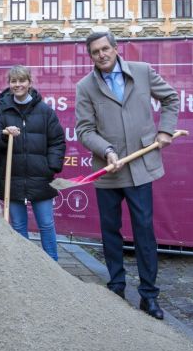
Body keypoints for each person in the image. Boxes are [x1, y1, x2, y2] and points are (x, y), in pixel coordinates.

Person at [75, 31, 179, 320]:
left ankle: (148, 295)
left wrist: (166, 130)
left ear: (116, 48)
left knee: (144, 231)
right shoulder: (85, 87)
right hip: (109, 170)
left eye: (105, 49)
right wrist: (106, 150)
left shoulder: (142, 73)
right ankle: (117, 287)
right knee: (110, 232)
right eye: (95, 52)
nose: (102, 55)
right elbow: (84, 130)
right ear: (91, 56)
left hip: (140, 165)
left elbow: (171, 98)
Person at [0, 65, 65, 261]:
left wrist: (51, 167)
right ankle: (24, 265)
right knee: (18, 225)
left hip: (40, 177)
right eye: (14, 81)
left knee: (46, 224)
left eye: (22, 80)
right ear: (9, 84)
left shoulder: (45, 111)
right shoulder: (2, 109)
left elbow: (58, 141)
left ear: (30, 83)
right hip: (12, 176)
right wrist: (4, 134)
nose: (18, 85)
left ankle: (52, 265)